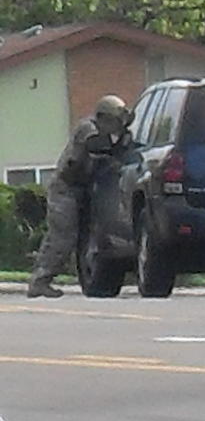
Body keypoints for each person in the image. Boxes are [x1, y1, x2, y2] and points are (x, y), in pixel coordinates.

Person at [27, 95, 130, 298]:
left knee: (82, 238)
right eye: (114, 121)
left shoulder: (106, 135)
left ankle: (48, 278)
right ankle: (40, 281)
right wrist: (120, 142)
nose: (117, 126)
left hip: (82, 191)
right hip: (65, 189)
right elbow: (95, 145)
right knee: (62, 236)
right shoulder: (88, 128)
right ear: (104, 117)